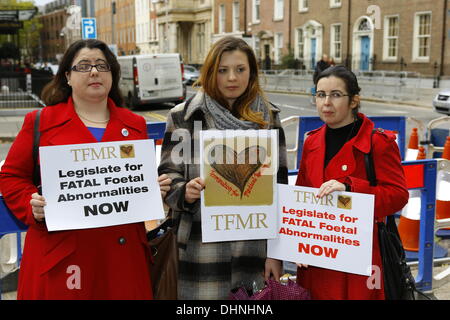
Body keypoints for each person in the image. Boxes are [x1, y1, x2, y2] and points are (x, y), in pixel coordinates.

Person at [0, 39, 171, 300]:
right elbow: (11, 176)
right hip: (62, 260)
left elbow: (134, 184)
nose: (94, 71)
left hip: (123, 260)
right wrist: (30, 204)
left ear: (112, 75)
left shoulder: (135, 124)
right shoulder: (40, 122)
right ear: (67, 76)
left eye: (102, 65)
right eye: (83, 66)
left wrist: (151, 191)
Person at [158, 36, 288, 300]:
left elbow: (281, 190)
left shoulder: (269, 119)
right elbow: (167, 176)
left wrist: (277, 252)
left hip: (254, 250)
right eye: (223, 70)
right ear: (210, 72)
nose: (232, 78)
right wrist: (186, 192)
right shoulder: (183, 117)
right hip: (199, 248)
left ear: (251, 72)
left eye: (240, 69)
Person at [295, 65, 409, 300]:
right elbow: (302, 197)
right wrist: (299, 242)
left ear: (354, 100)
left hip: (361, 260)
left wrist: (350, 189)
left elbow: (398, 195)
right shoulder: (312, 142)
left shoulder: (378, 142)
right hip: (317, 257)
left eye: (336, 95)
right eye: (320, 94)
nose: (326, 102)